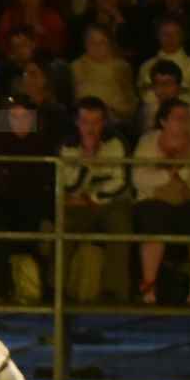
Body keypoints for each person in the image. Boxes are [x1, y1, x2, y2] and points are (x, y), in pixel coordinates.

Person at [133, 98, 190, 305]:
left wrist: (181, 170)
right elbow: (140, 180)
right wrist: (170, 174)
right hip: (155, 199)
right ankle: (149, 287)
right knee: (154, 226)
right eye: (178, 118)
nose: (184, 123)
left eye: (186, 118)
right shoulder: (148, 142)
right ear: (163, 121)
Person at [0, 93, 59, 302]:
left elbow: (47, 187)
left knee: (46, 235)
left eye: (25, 117)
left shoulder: (44, 145)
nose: (20, 122)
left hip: (35, 213)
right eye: (14, 117)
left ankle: (45, 293)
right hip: (0, 211)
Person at [61, 96, 132, 302]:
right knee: (64, 227)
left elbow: (120, 182)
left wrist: (92, 196)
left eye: (96, 122)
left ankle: (114, 293)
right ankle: (57, 288)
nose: (90, 128)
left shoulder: (116, 143)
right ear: (77, 122)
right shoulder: (68, 145)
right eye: (85, 122)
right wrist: (87, 161)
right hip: (77, 205)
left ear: (104, 122)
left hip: (109, 203)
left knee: (120, 226)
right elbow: (68, 185)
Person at [72, 23, 139, 134]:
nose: (97, 47)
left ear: (110, 44)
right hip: (84, 122)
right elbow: (75, 99)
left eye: (102, 42)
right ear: (85, 44)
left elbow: (130, 102)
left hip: (116, 122)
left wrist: (113, 110)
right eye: (92, 42)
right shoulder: (76, 67)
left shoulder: (121, 67)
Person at [137, 14, 190, 109]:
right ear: (158, 36)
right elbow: (144, 95)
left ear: (183, 36)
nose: (170, 38)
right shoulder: (147, 66)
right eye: (165, 34)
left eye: (176, 33)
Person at [138, 58, 190, 134]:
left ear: (178, 87)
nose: (163, 88)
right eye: (158, 83)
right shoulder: (146, 112)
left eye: (168, 83)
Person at [0, 0, 69, 58]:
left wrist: (42, 33)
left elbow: (58, 49)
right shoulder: (9, 16)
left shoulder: (53, 18)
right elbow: (1, 46)